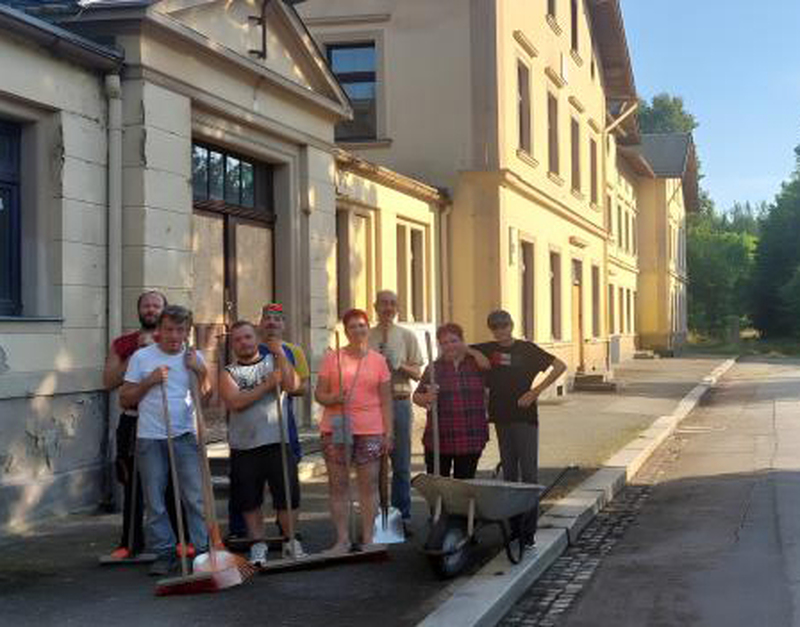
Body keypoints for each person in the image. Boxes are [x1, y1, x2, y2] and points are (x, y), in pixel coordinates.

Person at [120, 305, 211, 576]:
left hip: (184, 435)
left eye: (180, 330)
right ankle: (165, 552)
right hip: (149, 437)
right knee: (155, 501)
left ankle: (203, 554)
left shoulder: (195, 357)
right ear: (160, 330)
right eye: (169, 329)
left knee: (194, 497)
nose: (174, 336)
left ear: (187, 332)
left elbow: (206, 398)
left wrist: (201, 372)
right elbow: (124, 399)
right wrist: (148, 381)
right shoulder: (142, 357)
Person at [473, 310, 567, 544]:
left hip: (525, 418)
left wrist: (535, 392)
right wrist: (475, 354)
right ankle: (513, 528)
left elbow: (560, 366)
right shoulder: (488, 348)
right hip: (501, 418)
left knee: (529, 475)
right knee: (510, 476)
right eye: (495, 327)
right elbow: (463, 347)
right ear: (491, 329)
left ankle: (528, 531)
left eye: (504, 325)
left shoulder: (527, 349)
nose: (500, 330)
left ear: (512, 325)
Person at [219, 320, 304, 566]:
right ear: (233, 344)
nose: (243, 342)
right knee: (249, 499)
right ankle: (258, 544)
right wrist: (267, 384)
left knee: (287, 495)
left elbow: (293, 386)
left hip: (277, 440)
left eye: (247, 337)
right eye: (238, 339)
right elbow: (235, 402)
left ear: (256, 339)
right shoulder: (228, 372)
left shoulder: (275, 362)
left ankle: (290, 540)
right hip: (244, 446)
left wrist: (279, 353)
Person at [315, 309, 393, 552]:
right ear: (345, 331)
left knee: (368, 485)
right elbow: (319, 394)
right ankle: (342, 539)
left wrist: (389, 433)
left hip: (371, 428)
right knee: (338, 485)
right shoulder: (332, 358)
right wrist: (333, 398)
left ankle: (369, 538)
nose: (358, 330)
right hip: (337, 425)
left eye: (362, 325)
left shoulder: (378, 361)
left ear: (367, 328)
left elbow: (386, 400)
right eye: (352, 327)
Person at [102, 290, 170, 560]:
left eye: (156, 305)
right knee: (132, 482)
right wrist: (136, 354)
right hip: (133, 421)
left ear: (164, 310)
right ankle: (130, 542)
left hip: (166, 419)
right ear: (139, 310)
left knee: (171, 482)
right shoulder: (123, 343)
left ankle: (179, 541)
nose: (151, 309)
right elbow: (108, 381)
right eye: (146, 305)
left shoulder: (173, 340)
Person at [367, 291, 423, 529]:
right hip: (371, 406)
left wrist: (398, 364)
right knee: (372, 467)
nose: (388, 307)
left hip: (399, 402)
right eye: (383, 303)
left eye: (392, 303)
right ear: (375, 306)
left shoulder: (407, 336)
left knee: (400, 465)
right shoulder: (367, 336)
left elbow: (419, 373)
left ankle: (402, 517)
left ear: (397, 307)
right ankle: (378, 519)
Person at [413, 323, 491, 479]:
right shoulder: (434, 368)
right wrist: (427, 398)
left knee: (464, 487)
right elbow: (416, 397)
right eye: (444, 343)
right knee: (438, 488)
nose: (449, 346)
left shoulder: (475, 364)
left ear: (462, 341)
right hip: (440, 437)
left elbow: (487, 365)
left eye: (454, 341)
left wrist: (467, 350)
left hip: (470, 437)